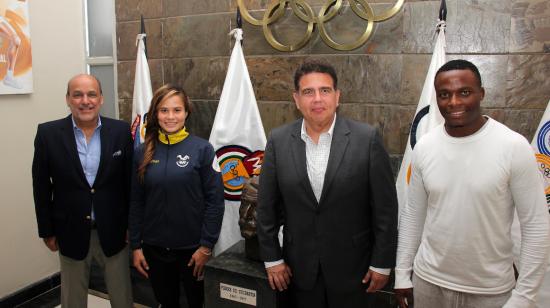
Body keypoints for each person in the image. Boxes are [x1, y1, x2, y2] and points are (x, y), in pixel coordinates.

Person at [394, 59, 550, 308]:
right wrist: (402, 273)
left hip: (490, 292)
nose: (454, 102)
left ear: (481, 93)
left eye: (464, 92)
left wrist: (525, 296)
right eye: (444, 94)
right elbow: (413, 214)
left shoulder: (513, 147)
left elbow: (536, 226)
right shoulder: (425, 146)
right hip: (428, 284)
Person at [256, 60, 398, 308]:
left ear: (337, 96)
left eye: (325, 90)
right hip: (297, 272)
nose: (317, 99)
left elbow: (385, 210)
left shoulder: (367, 139)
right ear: (296, 99)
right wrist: (272, 259)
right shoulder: (278, 140)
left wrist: (382, 263)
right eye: (308, 92)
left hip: (355, 271)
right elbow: (266, 207)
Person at [32, 74, 133, 307]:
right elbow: (40, 186)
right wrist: (47, 230)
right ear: (68, 99)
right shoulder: (48, 134)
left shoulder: (120, 131)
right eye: (77, 95)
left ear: (101, 99)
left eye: (91, 94)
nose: (84, 100)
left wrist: (131, 225)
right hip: (69, 229)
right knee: (73, 299)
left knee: (122, 296)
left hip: (114, 230)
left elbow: (129, 184)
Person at [129, 84, 224, 308]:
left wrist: (206, 247)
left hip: (193, 251)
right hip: (154, 249)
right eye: (164, 110)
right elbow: (136, 202)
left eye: (176, 110)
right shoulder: (141, 152)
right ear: (155, 114)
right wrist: (136, 247)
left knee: (196, 302)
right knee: (166, 302)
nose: (170, 116)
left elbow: (215, 202)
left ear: (186, 113)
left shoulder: (203, 150)